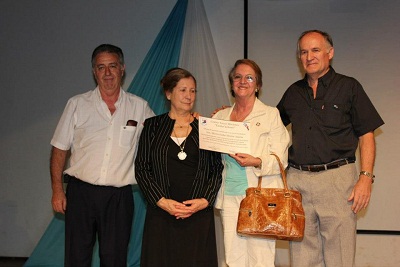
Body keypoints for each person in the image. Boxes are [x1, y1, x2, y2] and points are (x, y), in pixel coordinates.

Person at [277, 30, 384, 267]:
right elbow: (269, 125)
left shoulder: (349, 87)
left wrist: (365, 178)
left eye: (315, 50)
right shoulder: (293, 92)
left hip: (338, 181)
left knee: (340, 258)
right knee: (302, 258)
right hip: (298, 183)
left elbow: (367, 135)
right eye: (303, 52)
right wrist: (234, 113)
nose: (309, 56)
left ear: (330, 53)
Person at [50, 44, 155, 267]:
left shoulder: (140, 107)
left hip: (119, 198)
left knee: (114, 260)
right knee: (77, 258)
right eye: (101, 67)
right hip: (81, 195)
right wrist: (58, 190)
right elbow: (60, 149)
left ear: (122, 69)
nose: (107, 73)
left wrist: (189, 119)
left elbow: (160, 140)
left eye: (112, 66)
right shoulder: (77, 104)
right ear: (94, 72)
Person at [135, 67, 223, 267]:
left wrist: (204, 200)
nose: (189, 95)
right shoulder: (152, 126)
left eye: (193, 91)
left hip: (198, 215)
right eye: (183, 90)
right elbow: (142, 168)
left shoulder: (206, 127)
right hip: (161, 215)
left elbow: (216, 169)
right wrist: (162, 201)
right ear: (168, 93)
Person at [213, 59, 290, 267]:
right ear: (231, 83)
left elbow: (282, 159)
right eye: (237, 77)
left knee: (260, 259)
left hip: (260, 197)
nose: (242, 81)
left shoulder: (271, 115)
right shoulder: (220, 117)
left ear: (258, 85)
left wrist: (256, 161)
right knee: (233, 257)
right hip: (230, 195)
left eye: (249, 77)